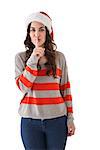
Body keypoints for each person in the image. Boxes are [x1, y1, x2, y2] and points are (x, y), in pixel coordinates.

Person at [15, 11, 75, 150]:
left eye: (41, 29)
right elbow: (23, 86)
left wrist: (70, 119)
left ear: (47, 33)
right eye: (33, 30)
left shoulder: (59, 58)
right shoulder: (20, 58)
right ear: (28, 34)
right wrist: (33, 60)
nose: (37, 34)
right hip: (30, 123)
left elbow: (66, 89)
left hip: (58, 120)